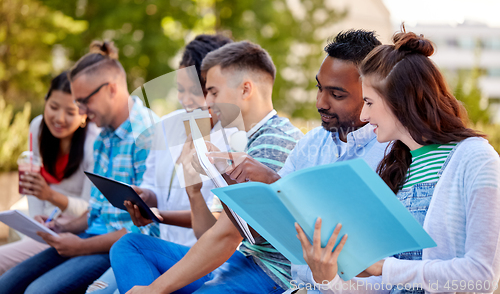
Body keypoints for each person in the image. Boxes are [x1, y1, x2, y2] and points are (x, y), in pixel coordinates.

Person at [295, 30, 500, 294]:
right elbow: (384, 287)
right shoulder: (397, 165)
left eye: (369, 102)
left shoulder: (476, 159)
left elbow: (482, 276)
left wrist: (383, 267)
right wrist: (328, 279)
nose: (365, 116)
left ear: (399, 102)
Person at [110, 41, 304, 294]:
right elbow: (209, 232)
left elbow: (226, 236)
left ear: (246, 89)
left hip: (272, 273)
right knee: (129, 246)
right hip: (243, 260)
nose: (208, 101)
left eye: (213, 92)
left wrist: (155, 289)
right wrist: (193, 188)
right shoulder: (242, 141)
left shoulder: (274, 142)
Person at [205, 30, 386, 293]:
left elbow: (354, 250)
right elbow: (261, 234)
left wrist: (272, 180)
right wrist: (231, 188)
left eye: (336, 94)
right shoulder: (312, 144)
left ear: (371, 93)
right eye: (319, 88)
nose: (320, 102)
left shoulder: (387, 153)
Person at [0, 41, 157, 294]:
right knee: (6, 284)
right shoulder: (104, 135)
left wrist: (79, 246)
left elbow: (149, 229)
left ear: (111, 89)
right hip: (87, 238)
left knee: (38, 292)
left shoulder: (146, 136)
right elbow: (95, 213)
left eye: (83, 102)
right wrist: (61, 226)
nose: (81, 112)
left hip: (118, 247)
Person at [85, 34, 234, 294]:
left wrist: (160, 215)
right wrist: (144, 197)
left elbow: (220, 226)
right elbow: (153, 186)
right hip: (163, 247)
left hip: (204, 257)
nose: (186, 99)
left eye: (195, 90)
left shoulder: (231, 139)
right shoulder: (165, 127)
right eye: (180, 89)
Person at [0, 72, 99, 276]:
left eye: (70, 112)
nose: (59, 118)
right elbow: (33, 185)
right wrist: (36, 222)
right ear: (45, 102)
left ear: (84, 115)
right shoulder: (38, 127)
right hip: (44, 221)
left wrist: (51, 196)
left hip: (73, 229)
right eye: (53, 107)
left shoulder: (93, 144)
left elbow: (90, 210)